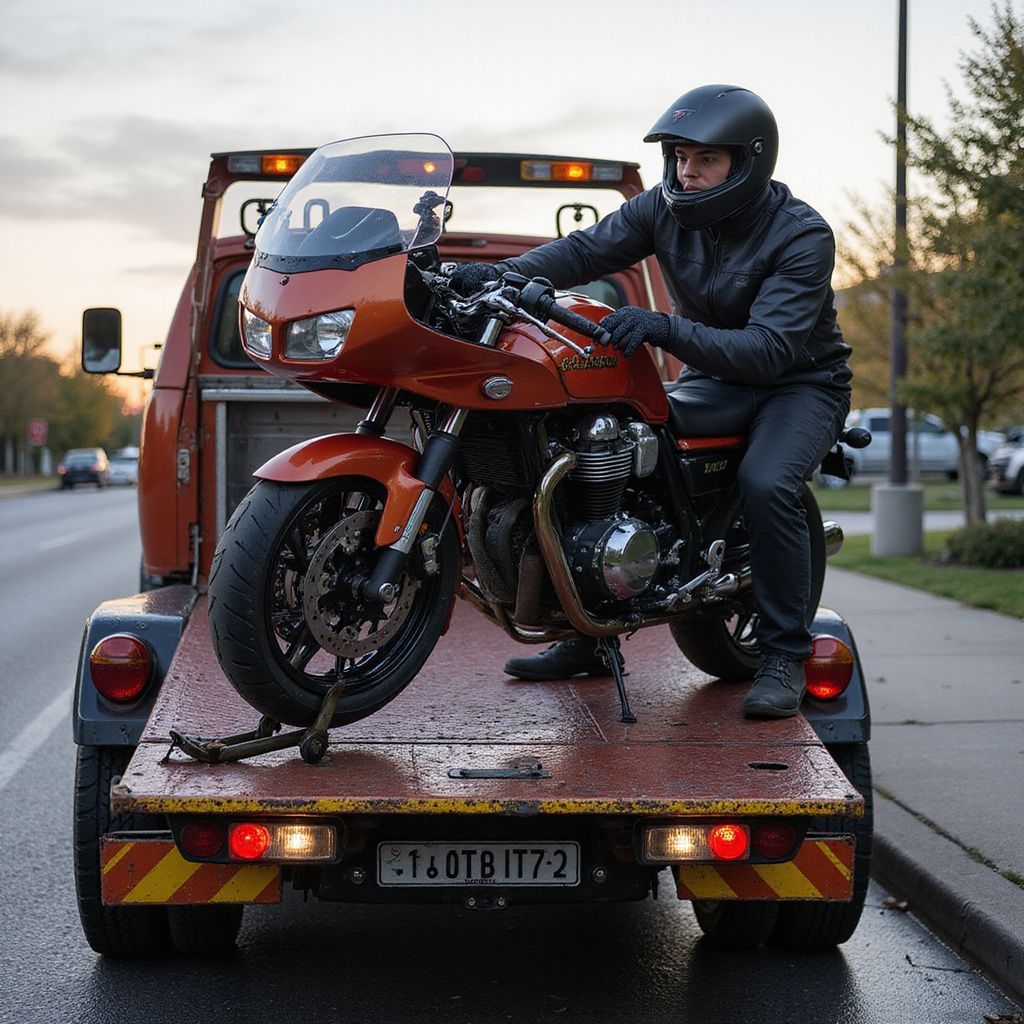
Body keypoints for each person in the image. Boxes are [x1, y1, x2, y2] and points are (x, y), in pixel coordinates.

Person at [449, 84, 852, 718]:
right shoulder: (662, 210)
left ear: (748, 162)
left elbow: (772, 349)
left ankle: (782, 656)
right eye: (680, 157)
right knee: (593, 443)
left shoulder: (800, 235)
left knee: (768, 481)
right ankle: (586, 632)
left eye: (705, 160)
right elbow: (584, 249)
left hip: (798, 383)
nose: (687, 173)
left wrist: (662, 329)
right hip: (711, 372)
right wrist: (498, 275)